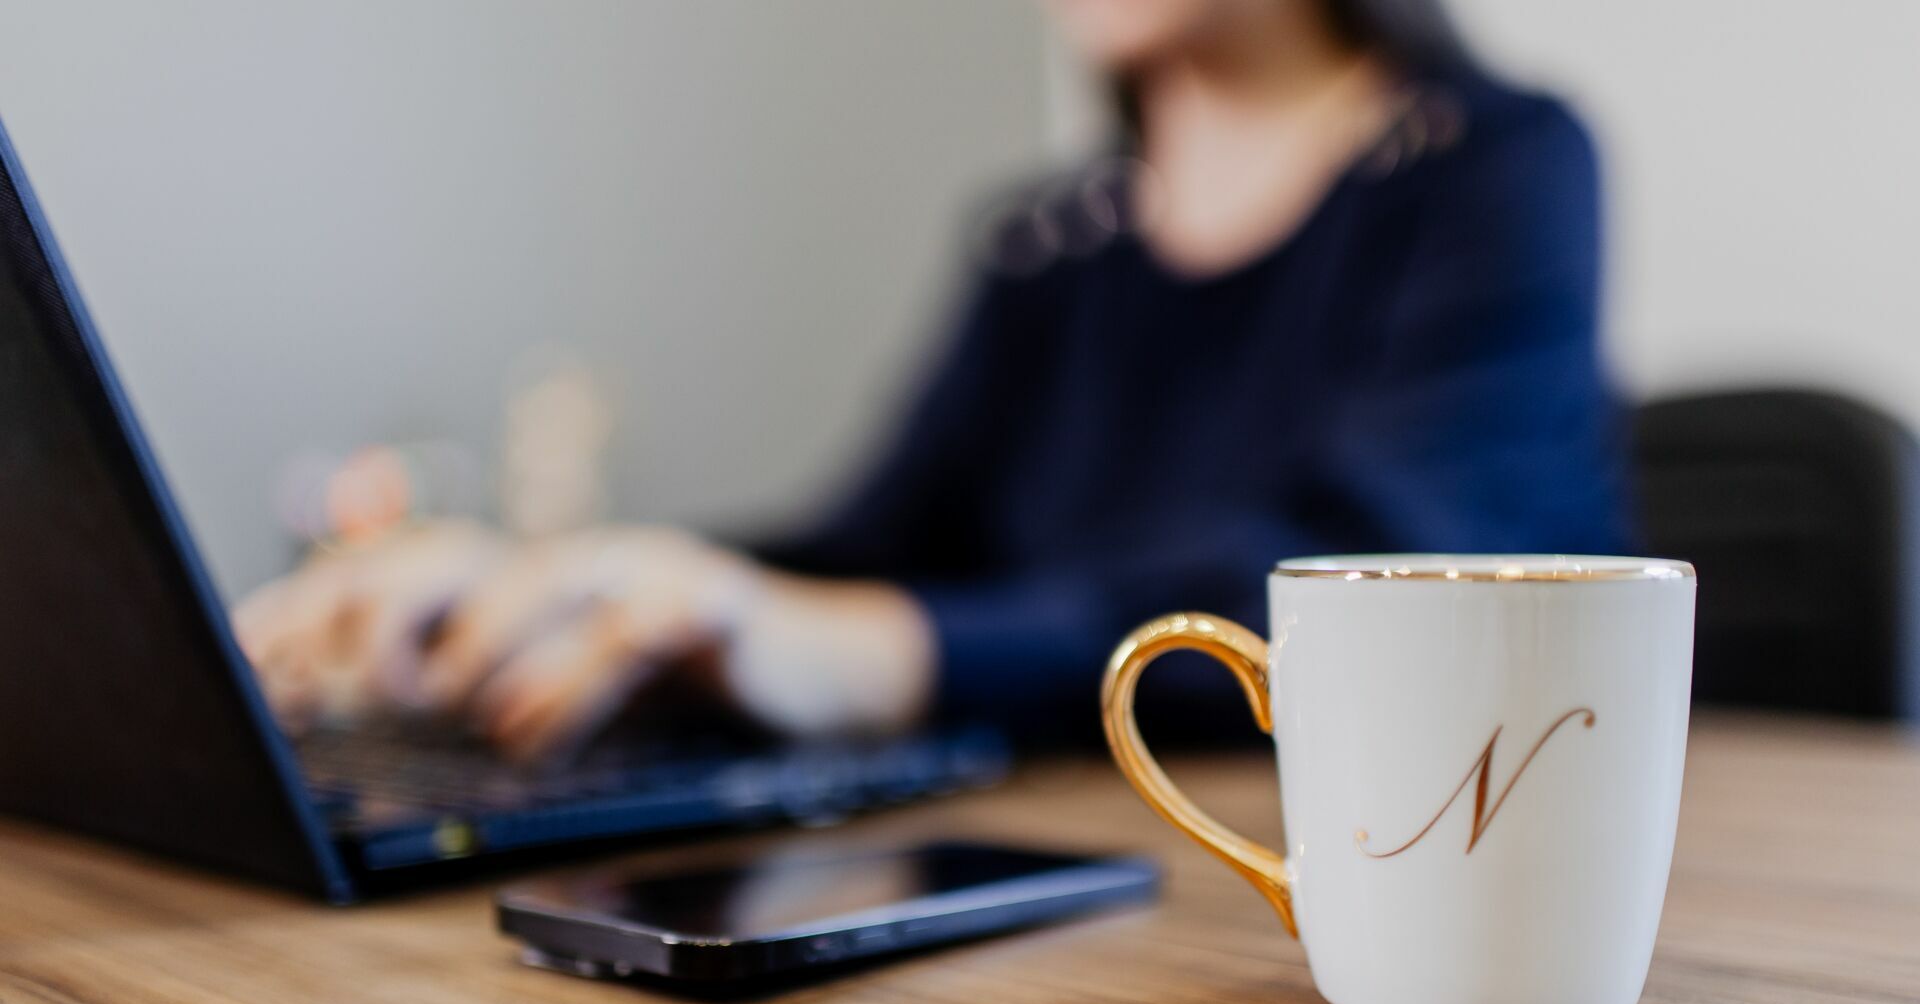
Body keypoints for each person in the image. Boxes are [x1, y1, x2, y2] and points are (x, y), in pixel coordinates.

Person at [234, 0, 1626, 758]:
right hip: (1072, 857)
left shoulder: (1496, 167)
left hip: (1400, 855)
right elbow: (860, 547)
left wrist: (883, 652)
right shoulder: (1044, 245)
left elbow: (1377, 581)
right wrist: (562, 586)